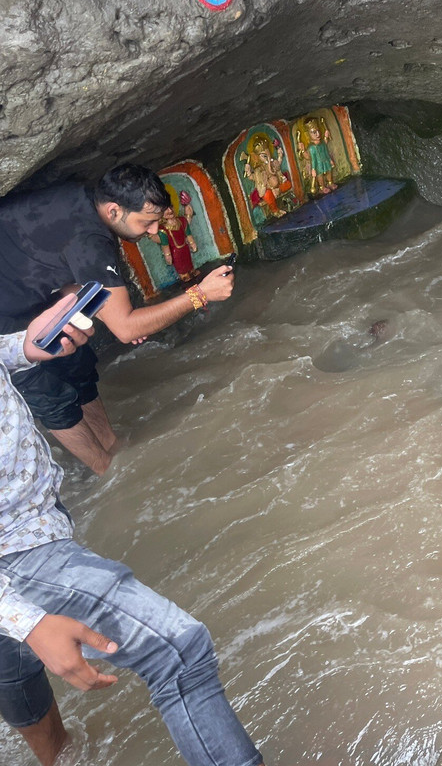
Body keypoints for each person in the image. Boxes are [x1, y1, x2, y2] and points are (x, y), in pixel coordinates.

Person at [0, 299, 263, 766]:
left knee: (15, 666)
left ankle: (57, 757)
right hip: (16, 547)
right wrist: (27, 619)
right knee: (179, 650)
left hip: (33, 513)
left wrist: (22, 347)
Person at [0, 163, 235, 475]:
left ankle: (112, 443)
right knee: (47, 390)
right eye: (147, 222)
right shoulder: (89, 239)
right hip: (5, 314)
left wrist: (123, 318)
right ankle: (108, 471)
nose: (154, 231)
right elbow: (126, 331)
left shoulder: (85, 200)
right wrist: (200, 294)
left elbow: (69, 276)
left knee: (76, 358)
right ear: (113, 210)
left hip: (25, 288)